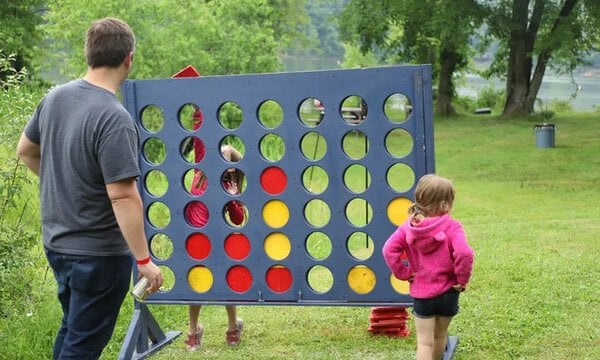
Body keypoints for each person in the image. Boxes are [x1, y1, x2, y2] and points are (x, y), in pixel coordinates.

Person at [16, 17, 163, 359]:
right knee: (82, 346)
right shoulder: (114, 117)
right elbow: (123, 196)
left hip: (58, 244)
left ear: (89, 54)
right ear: (129, 58)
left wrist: (69, 185)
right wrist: (144, 260)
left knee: (73, 331)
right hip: (98, 254)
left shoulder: (55, 97)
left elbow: (25, 150)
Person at [382, 174, 474, 360]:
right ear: (444, 205)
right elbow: (465, 253)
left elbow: (388, 250)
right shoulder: (453, 227)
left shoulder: (407, 228)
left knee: (424, 342)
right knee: (439, 337)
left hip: (422, 294)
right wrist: (461, 279)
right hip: (448, 293)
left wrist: (404, 273)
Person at [183, 108, 245, 350]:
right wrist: (200, 109)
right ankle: (193, 329)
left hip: (219, 238)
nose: (215, 153)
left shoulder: (230, 185)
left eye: (223, 153)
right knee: (196, 283)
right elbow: (201, 138)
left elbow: (238, 219)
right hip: (197, 238)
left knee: (225, 281)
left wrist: (231, 199)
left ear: (229, 167)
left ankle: (233, 325)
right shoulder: (201, 172)